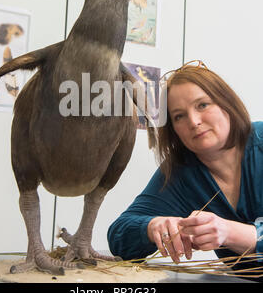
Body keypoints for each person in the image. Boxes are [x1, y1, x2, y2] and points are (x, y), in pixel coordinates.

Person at [107, 60, 263, 278]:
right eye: (179, 116)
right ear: (173, 130)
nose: (194, 121)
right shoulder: (181, 170)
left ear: (226, 104)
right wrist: (152, 227)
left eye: (202, 105)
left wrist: (232, 233)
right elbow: (119, 236)